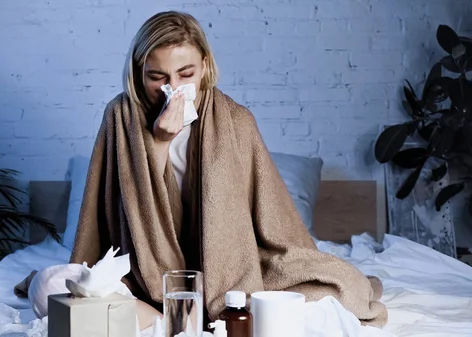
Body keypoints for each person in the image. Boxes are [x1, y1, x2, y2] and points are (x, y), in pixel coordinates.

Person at [69, 10, 388, 331]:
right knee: (58, 289)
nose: (173, 87)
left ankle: (182, 318)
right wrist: (161, 141)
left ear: (205, 66)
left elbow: (270, 217)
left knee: (339, 286)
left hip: (228, 262)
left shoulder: (236, 120)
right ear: (140, 73)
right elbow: (122, 209)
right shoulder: (120, 116)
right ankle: (171, 319)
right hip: (144, 265)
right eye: (158, 77)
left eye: (185, 74)